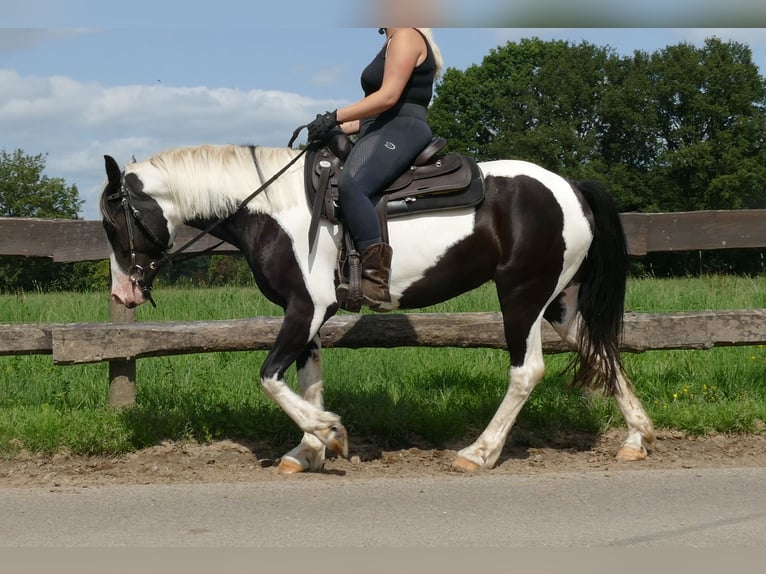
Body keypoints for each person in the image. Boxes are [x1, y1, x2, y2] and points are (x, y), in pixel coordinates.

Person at [306, 27, 443, 311]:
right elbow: (374, 114)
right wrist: (333, 127)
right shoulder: (391, 41)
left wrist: (335, 115)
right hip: (381, 127)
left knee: (353, 184)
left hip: (403, 127)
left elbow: (389, 97)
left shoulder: (406, 34)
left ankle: (375, 279)